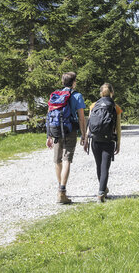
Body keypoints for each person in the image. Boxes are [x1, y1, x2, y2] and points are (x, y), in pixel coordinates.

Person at [46, 72, 87, 204]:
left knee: (57, 160)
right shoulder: (77, 96)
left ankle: (60, 188)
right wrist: (84, 135)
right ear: (73, 82)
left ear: (63, 82)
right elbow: (81, 118)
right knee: (66, 159)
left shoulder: (55, 95)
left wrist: (49, 135)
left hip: (56, 131)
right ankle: (62, 192)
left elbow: (49, 115)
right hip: (70, 130)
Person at [84, 82, 122, 203]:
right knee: (105, 166)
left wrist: (86, 139)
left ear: (101, 93)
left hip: (95, 139)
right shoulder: (116, 107)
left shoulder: (93, 105)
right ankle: (101, 193)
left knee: (99, 165)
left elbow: (89, 124)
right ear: (112, 92)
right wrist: (118, 143)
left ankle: (103, 189)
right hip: (108, 140)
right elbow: (118, 127)